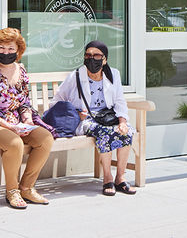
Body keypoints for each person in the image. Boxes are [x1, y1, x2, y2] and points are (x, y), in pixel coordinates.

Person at [0, 27, 55, 209]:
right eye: (2, 48)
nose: (6, 52)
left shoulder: (21, 70)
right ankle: (12, 191)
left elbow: (24, 102)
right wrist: (9, 126)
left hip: (16, 122)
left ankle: (27, 187)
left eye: (10, 48)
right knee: (14, 143)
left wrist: (27, 120)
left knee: (45, 138)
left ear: (18, 50)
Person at [55, 40, 137, 195]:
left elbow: (119, 100)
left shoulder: (114, 74)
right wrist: (76, 113)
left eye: (96, 55)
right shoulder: (75, 76)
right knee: (104, 132)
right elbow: (58, 100)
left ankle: (120, 178)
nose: (91, 59)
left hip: (107, 117)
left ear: (104, 59)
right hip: (86, 120)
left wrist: (122, 122)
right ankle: (107, 178)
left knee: (127, 131)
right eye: (88, 55)